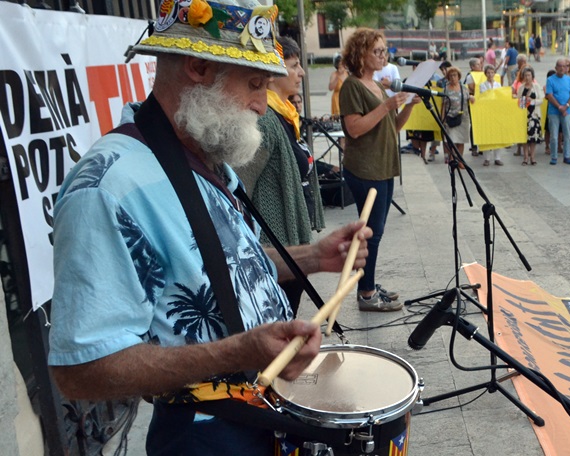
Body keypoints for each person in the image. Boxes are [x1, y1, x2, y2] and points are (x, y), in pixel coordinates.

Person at [48, 1, 374, 451]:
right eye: (255, 84)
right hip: (207, 437)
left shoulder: (203, 151)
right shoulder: (105, 189)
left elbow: (223, 265)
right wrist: (237, 352)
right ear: (198, 67)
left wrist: (313, 257)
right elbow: (78, 371)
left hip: (263, 418)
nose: (263, 105)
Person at [234, 36, 325, 313]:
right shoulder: (264, 121)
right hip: (275, 248)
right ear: (272, 76)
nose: (301, 73)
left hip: (289, 243)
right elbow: (239, 190)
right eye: (294, 65)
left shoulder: (286, 115)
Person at [340, 28, 416, 312]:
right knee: (373, 231)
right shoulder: (352, 86)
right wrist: (386, 106)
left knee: (377, 231)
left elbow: (392, 129)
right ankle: (367, 293)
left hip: (384, 165)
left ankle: (368, 285)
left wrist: (407, 106)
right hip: (364, 168)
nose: (384, 55)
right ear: (361, 53)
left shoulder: (379, 85)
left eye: (385, 50)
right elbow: (355, 129)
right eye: (378, 51)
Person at [442, 67, 474, 165]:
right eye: (451, 75)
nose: (453, 77)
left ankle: (460, 161)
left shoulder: (464, 88)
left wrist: (472, 97)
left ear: (459, 76)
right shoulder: (446, 89)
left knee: (461, 140)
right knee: (452, 140)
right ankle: (452, 159)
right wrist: (442, 119)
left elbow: (469, 97)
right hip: (450, 118)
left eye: (455, 75)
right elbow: (443, 105)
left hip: (463, 118)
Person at [546, 58, 570, 165]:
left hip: (567, 111)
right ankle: (554, 156)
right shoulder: (550, 79)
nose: (562, 68)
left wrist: (566, 106)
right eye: (560, 66)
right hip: (554, 111)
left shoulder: (569, 80)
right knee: (554, 135)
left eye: (564, 66)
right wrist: (559, 107)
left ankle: (566, 156)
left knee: (567, 134)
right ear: (556, 68)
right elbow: (549, 95)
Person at [518, 67, 543, 166]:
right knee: (525, 137)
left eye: (529, 75)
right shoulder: (521, 87)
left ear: (532, 76)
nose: (527, 77)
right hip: (524, 115)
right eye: (525, 75)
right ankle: (525, 157)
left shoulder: (537, 87)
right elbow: (518, 101)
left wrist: (532, 101)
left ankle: (532, 157)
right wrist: (524, 101)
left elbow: (541, 99)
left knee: (533, 138)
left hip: (534, 114)